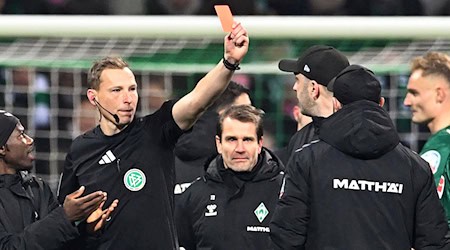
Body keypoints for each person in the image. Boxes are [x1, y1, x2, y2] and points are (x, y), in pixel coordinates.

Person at [57, 22, 249, 249]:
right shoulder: (80, 150)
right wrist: (86, 229)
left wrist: (229, 62)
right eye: (116, 91)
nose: (128, 98)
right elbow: (63, 218)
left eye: (132, 89)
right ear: (93, 97)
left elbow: (197, 100)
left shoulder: (156, 130)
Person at [270, 65, 450, 249]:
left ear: (336, 104)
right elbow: (434, 243)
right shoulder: (415, 167)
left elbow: (286, 237)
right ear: (381, 103)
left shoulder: (307, 160)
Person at [0, 110, 118, 249]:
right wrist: (64, 217)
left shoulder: (38, 188)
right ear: (2, 148)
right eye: (21, 135)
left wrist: (89, 232)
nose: (30, 140)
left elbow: (61, 245)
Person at [175, 105, 284, 250]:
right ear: (219, 144)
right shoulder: (193, 197)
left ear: (259, 144)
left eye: (247, 140)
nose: (240, 149)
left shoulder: (285, 192)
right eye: (232, 139)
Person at [174, 81, 251, 194]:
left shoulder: (166, 154)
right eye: (245, 112)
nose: (252, 117)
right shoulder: (238, 162)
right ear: (224, 113)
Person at [278, 45, 349, 162]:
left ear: (313, 89)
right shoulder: (363, 134)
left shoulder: (306, 145)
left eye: (298, 80)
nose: (294, 87)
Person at [403, 51, 450, 227]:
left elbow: (432, 221)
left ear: (439, 94)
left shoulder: (441, 148)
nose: (407, 102)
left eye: (414, 93)